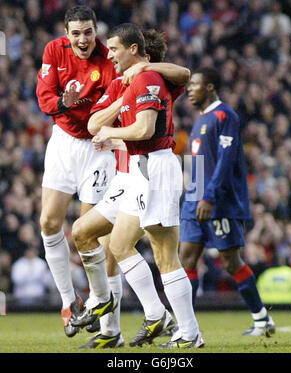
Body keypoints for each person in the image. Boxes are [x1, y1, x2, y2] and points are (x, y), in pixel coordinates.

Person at [71, 29, 190, 349]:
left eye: (113, 49)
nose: (108, 55)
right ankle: (146, 313)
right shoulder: (120, 83)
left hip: (152, 167)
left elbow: (182, 77)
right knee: (94, 236)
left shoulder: (152, 79)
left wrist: (144, 71)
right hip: (132, 173)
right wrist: (121, 102)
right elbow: (94, 124)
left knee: (165, 253)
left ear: (137, 53)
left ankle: (184, 330)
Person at [36, 6, 117, 337]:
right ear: (67, 34)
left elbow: (114, 102)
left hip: (98, 149)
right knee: (48, 222)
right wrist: (64, 104)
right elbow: (44, 98)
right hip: (64, 141)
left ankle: (100, 305)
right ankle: (70, 302)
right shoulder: (54, 50)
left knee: (87, 234)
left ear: (96, 30)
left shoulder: (108, 58)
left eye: (88, 32)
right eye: (76, 33)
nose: (83, 39)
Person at [179, 67, 276, 336]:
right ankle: (187, 327)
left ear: (210, 87)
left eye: (195, 84)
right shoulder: (200, 120)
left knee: (231, 261)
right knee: (185, 257)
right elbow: (199, 162)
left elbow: (226, 158)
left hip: (218, 202)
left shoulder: (226, 115)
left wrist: (209, 196)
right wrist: (191, 192)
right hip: (194, 199)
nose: (189, 89)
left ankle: (261, 318)